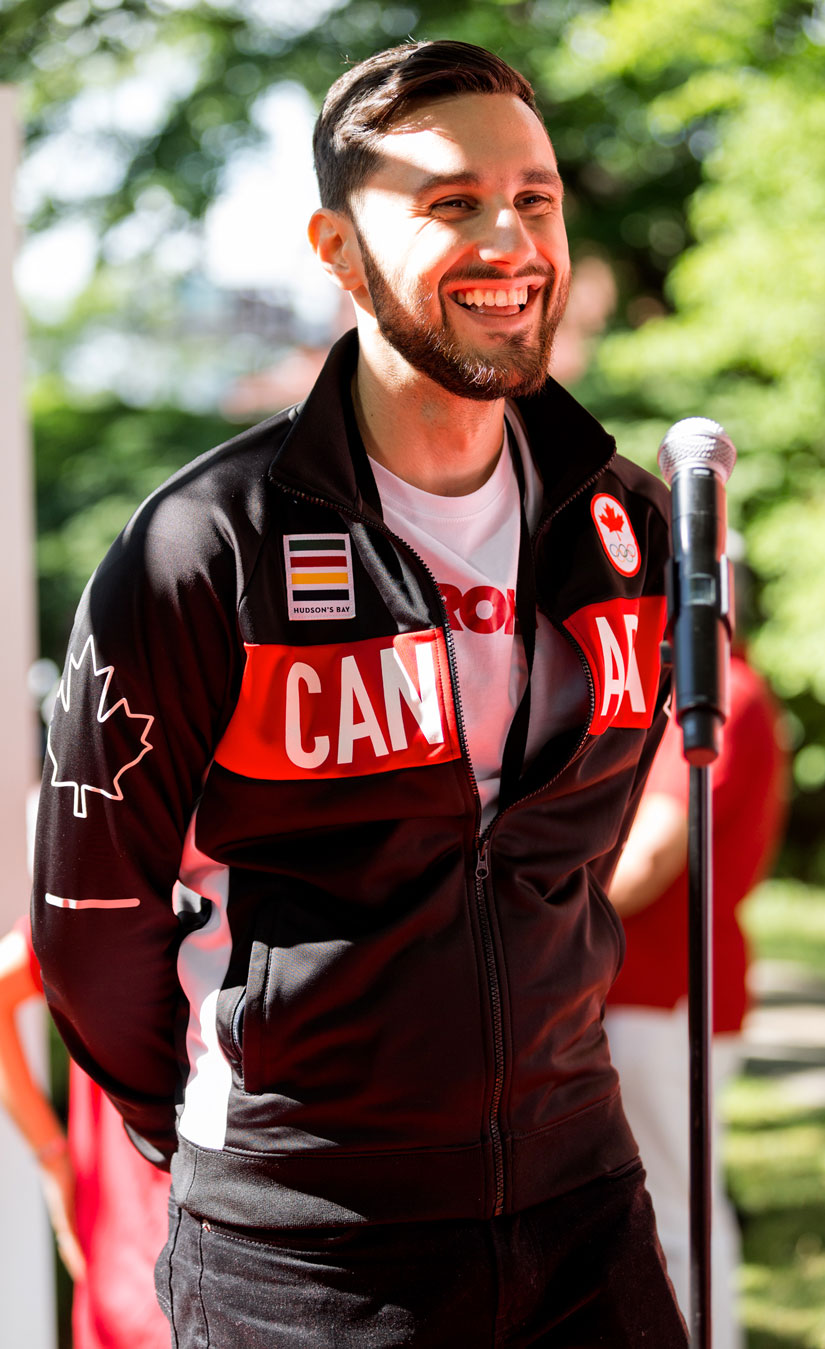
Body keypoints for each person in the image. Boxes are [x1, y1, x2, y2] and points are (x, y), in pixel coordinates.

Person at [32, 40, 687, 1346]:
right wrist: (238, 1131)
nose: (510, 238)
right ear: (337, 249)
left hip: (582, 1212)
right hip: (303, 1252)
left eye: (535, 197)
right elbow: (90, 920)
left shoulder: (626, 522)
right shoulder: (201, 545)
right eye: (449, 203)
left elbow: (579, 851)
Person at [605, 573, 789, 1345]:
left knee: (671, 1215)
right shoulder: (717, 691)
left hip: (665, 994)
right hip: (660, 992)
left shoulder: (713, 696)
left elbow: (648, 859)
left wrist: (525, 928)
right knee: (663, 1210)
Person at [0, 915, 170, 1349]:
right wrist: (53, 1157)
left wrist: (53, 1159)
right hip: (158, 1279)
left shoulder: (101, 895)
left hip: (128, 1265)